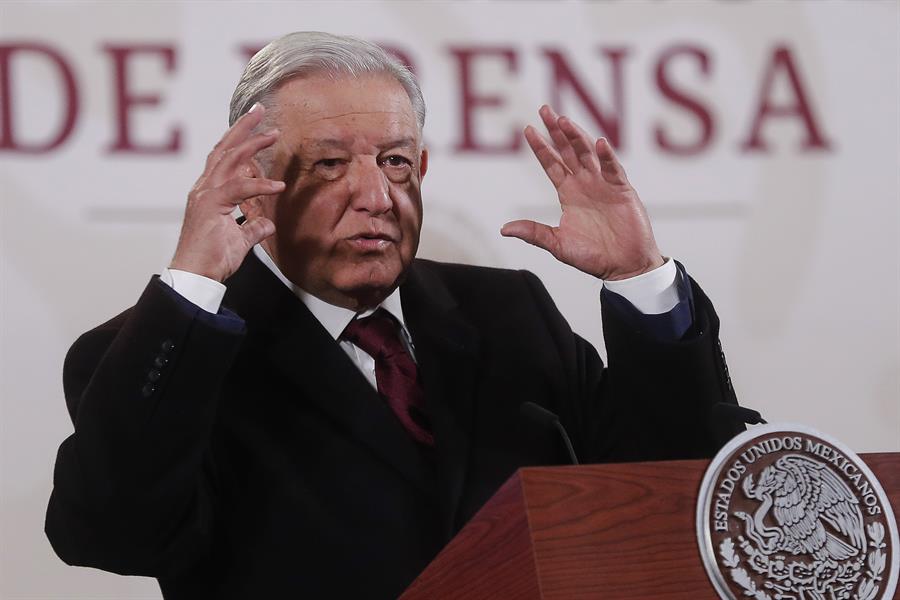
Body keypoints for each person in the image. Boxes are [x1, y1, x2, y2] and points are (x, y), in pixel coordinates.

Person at [46, 31, 743, 599]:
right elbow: (113, 535)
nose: (376, 195)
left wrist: (641, 280)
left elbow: (677, 488)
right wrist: (194, 285)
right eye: (327, 165)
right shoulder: (159, 354)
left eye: (396, 162)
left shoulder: (509, 313)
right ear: (254, 186)